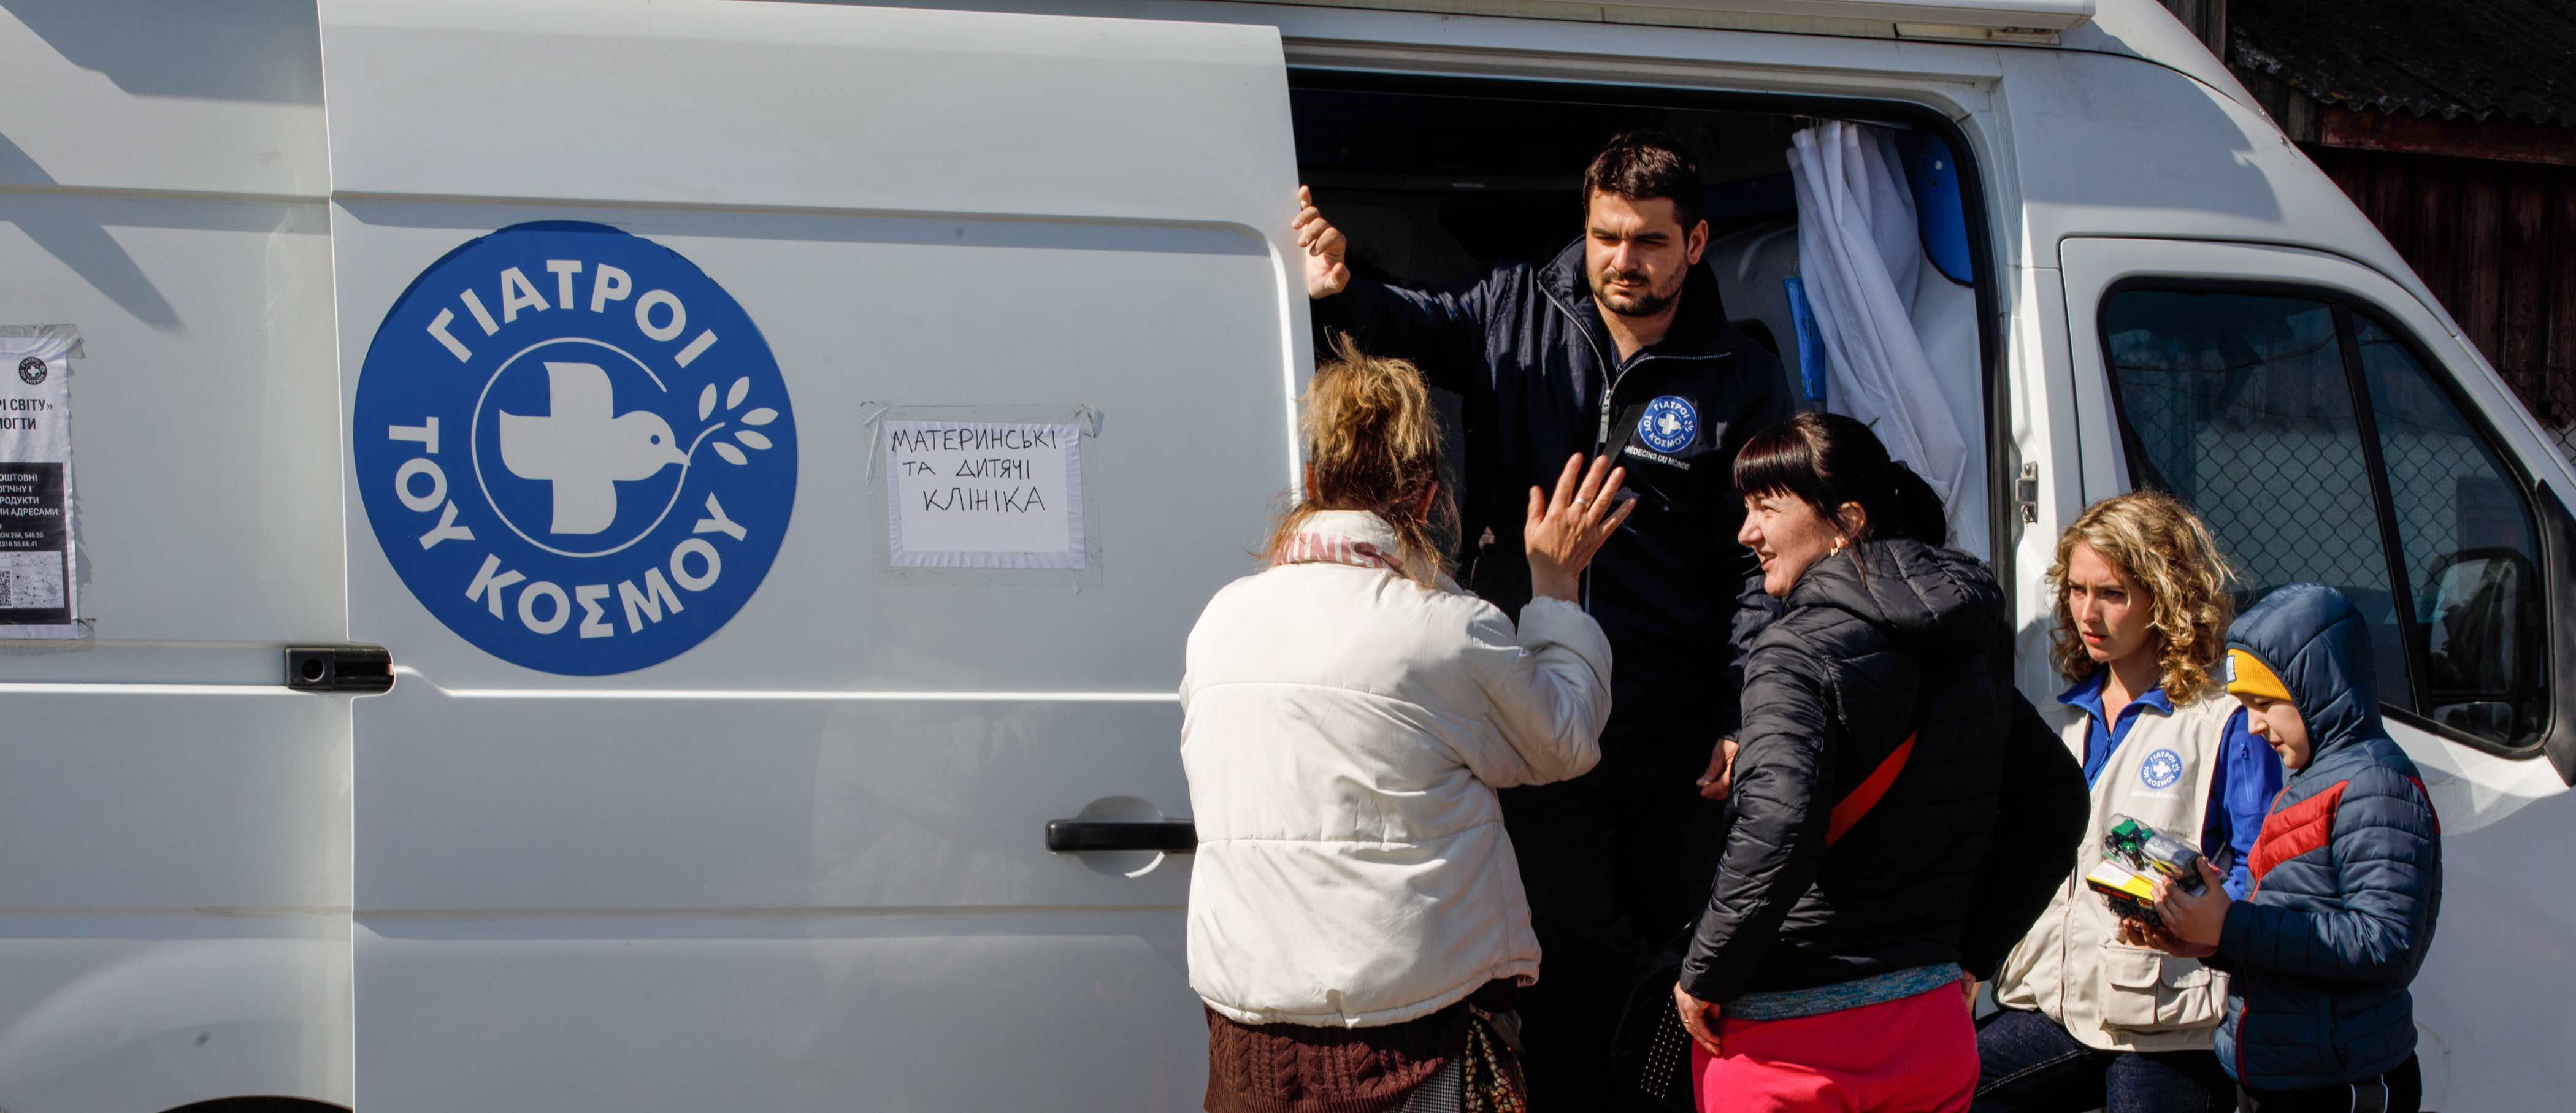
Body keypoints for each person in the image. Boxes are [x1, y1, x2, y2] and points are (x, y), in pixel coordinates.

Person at [1295, 129, 1790, 1104]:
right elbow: (1409, 325)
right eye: (1607, 235)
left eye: (1649, 241)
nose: (1622, 260)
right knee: (1560, 957)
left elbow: (1758, 561)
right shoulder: (1517, 305)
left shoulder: (1741, 372)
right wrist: (1339, 290)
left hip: (1668, 727)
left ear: (1696, 243)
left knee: (1675, 957)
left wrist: (1745, 710)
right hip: (1533, 713)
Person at [1181, 335, 1635, 1113]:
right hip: (1405, 1039)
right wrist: (1555, 587)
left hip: (1247, 1034)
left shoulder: (1221, 619)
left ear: (1314, 482)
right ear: (1428, 498)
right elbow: (1563, 739)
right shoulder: (1444, 629)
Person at [1671, 411, 2088, 1113]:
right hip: (1931, 1033)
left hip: (1790, 1047)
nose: (1748, 534)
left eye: (1766, 508)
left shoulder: (1792, 651)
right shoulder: (1967, 647)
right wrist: (1972, 953)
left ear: (1847, 521)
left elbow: (1778, 827)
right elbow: (2058, 804)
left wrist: (1705, 971)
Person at [1974, 492, 2287, 1113]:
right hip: (2054, 1003)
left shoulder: (2222, 723)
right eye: (2076, 590)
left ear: (2166, 599)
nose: (2088, 613)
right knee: (1946, 1085)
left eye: (2112, 594)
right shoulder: (2053, 720)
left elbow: (2263, 867)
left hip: (2168, 1019)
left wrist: (2209, 923)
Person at [2137, 583, 2443, 1113]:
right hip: (2286, 1074)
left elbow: (2385, 941)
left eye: (2264, 704)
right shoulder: (2310, 780)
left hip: (2343, 1082)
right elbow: (2297, 920)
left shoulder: (2376, 785)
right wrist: (2206, 939)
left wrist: (2231, 927)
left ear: (2316, 689)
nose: (2254, 725)